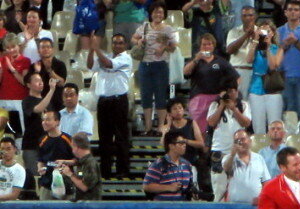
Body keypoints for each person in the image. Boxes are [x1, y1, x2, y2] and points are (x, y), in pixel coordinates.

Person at [88, 33, 132, 178]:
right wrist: (91, 50)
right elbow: (90, 65)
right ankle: (105, 171)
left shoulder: (126, 58)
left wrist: (96, 48)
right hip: (104, 101)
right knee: (104, 138)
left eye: (120, 43)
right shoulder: (105, 55)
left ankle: (122, 170)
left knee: (121, 137)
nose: (117, 45)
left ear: (125, 45)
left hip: (119, 101)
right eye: (115, 43)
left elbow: (108, 64)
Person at [131, 2, 177, 137]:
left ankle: (161, 127)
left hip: (161, 66)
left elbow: (174, 46)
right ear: (151, 14)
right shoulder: (144, 27)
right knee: (145, 97)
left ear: (164, 14)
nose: (158, 15)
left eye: (161, 12)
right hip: (145, 65)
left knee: (160, 97)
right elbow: (133, 38)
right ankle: (148, 127)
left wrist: (163, 48)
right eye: (156, 12)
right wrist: (138, 41)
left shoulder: (168, 29)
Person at [184, 33, 239, 135]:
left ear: (213, 46)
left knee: (214, 127)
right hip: (198, 98)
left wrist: (229, 92)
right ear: (200, 46)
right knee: (198, 129)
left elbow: (237, 78)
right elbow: (185, 72)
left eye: (209, 44)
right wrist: (196, 59)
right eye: (204, 44)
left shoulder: (221, 62)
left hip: (216, 98)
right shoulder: (196, 61)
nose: (207, 47)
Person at [206, 79, 252, 201]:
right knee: (218, 189)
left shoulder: (243, 105)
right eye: (228, 91)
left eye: (233, 91)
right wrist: (221, 105)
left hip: (239, 152)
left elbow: (246, 123)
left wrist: (234, 109)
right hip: (219, 151)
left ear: (237, 92)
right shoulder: (215, 105)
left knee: (238, 186)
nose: (231, 94)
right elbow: (211, 122)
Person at [246, 20, 284, 135]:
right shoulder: (255, 47)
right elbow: (248, 60)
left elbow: (273, 66)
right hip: (256, 88)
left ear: (273, 33)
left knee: (274, 123)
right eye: (263, 31)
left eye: (268, 31)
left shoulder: (278, 49)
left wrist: (268, 47)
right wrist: (255, 40)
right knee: (258, 124)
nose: (265, 33)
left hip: (272, 88)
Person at [143, 130, 193, 201]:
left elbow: (189, 186)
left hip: (182, 208)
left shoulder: (187, 165)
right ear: (171, 146)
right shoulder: (158, 164)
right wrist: (169, 187)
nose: (184, 145)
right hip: (163, 208)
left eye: (184, 143)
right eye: (181, 143)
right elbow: (147, 186)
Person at [222, 129, 270, 203]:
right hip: (235, 205)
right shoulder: (228, 158)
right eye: (237, 141)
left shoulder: (259, 158)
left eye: (243, 139)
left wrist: (262, 198)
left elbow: (266, 181)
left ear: (250, 141)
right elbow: (226, 168)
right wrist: (232, 155)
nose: (240, 142)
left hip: (256, 205)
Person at [21, 72, 55, 175]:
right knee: (35, 176)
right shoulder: (27, 101)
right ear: (28, 85)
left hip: (46, 144)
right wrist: (52, 90)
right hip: (31, 146)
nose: (40, 83)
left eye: (41, 80)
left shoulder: (48, 102)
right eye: (36, 80)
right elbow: (37, 109)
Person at [36, 109, 74, 200]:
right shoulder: (42, 140)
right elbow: (40, 160)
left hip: (65, 183)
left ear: (57, 122)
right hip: (47, 184)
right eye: (43, 120)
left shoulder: (68, 139)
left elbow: (77, 161)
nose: (44, 122)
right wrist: (40, 168)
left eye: (48, 120)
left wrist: (64, 162)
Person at [57, 132, 102, 201]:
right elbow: (76, 162)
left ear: (77, 147)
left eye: (72, 147)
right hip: (80, 203)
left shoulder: (90, 164)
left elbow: (84, 187)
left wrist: (70, 174)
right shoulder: (81, 162)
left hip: (90, 205)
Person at [159, 98, 204, 165]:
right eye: (174, 109)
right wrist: (168, 124)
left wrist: (185, 141)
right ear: (169, 113)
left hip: (191, 161)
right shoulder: (166, 127)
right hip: (173, 162)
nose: (178, 111)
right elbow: (163, 143)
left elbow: (201, 143)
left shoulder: (191, 123)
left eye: (180, 108)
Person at [225, 5, 258, 99]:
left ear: (255, 16)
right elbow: (229, 50)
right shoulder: (233, 32)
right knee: (235, 100)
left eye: (250, 15)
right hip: (236, 70)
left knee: (251, 104)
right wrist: (246, 35)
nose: (248, 18)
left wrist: (255, 37)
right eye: (245, 15)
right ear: (241, 17)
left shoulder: (260, 32)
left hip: (253, 71)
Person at [0, 33, 30, 133]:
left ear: (18, 46)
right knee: (4, 130)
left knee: (20, 130)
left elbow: (24, 82)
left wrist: (12, 69)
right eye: (8, 48)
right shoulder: (1, 60)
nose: (11, 50)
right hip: (3, 99)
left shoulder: (25, 60)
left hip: (20, 99)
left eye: (13, 46)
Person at [28, 37, 66, 111]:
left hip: (57, 101)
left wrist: (49, 70)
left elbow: (61, 83)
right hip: (40, 102)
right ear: (39, 51)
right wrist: (37, 72)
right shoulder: (34, 66)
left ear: (52, 49)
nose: (46, 49)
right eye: (43, 47)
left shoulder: (60, 64)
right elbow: (30, 85)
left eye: (48, 47)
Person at [0, 135, 26, 200]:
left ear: (14, 149)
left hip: (9, 205)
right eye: (3, 149)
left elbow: (14, 195)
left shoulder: (19, 170)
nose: (5, 152)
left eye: (8, 149)